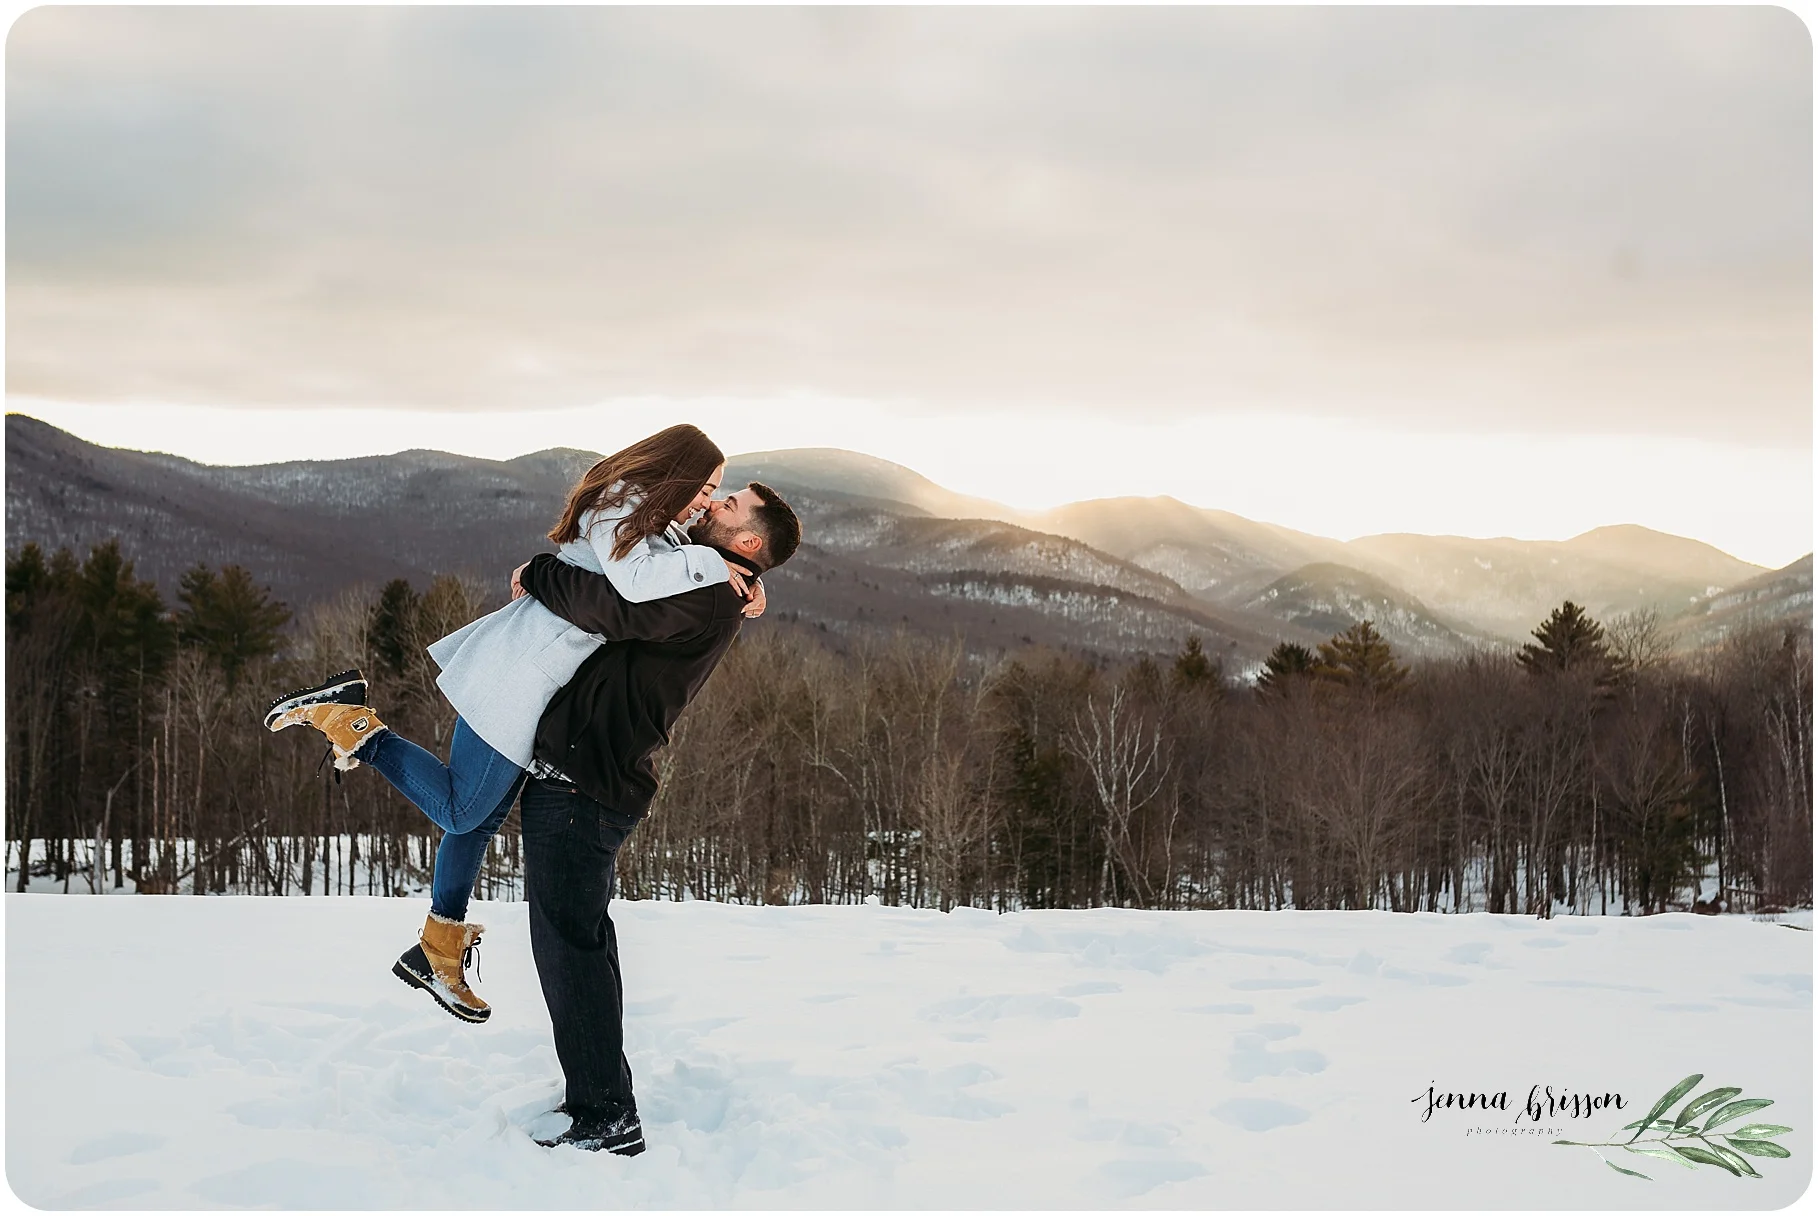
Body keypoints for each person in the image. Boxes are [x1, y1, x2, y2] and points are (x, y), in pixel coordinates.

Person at [262, 424, 765, 1023]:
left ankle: (436, 950)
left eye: (719, 493)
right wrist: (713, 568)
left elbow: (684, 560)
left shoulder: (656, 520)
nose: (709, 499)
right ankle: (356, 726)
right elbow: (631, 592)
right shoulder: (620, 505)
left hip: (540, 680)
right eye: (708, 486)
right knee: (462, 811)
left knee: (480, 816)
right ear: (676, 471)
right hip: (521, 671)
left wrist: (747, 583)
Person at [513, 481, 800, 1154]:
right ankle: (599, 1100)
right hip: (592, 777)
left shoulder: (708, 589)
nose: (710, 505)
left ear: (748, 543)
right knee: (581, 946)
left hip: (585, 781)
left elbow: (611, 611)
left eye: (727, 507)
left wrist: (539, 572)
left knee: (570, 953)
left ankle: (606, 1117)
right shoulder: (712, 580)